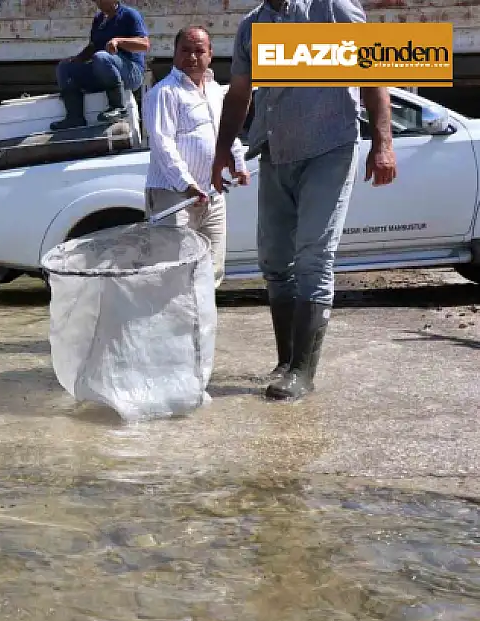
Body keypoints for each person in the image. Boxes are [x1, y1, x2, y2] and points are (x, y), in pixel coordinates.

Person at [211, 0, 397, 401]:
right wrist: (223, 148)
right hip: (276, 150)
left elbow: (373, 74)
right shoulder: (251, 26)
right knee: (275, 260)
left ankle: (301, 372)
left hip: (330, 147)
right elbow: (239, 93)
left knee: (313, 255)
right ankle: (286, 359)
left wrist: (383, 143)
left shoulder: (334, 8)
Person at [142, 25, 250, 288]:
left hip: (212, 195)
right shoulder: (164, 93)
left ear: (210, 54)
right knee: (173, 274)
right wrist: (187, 184)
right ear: (175, 54)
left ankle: (203, 327)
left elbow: (226, 132)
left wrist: (238, 164)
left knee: (211, 272)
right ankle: (173, 329)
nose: (192, 57)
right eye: (185, 51)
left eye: (199, 51)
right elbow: (162, 144)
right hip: (174, 196)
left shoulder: (215, 90)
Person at [49, 0, 150, 131]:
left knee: (101, 57)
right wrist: (76, 59)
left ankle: (118, 108)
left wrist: (118, 42)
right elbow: (93, 47)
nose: (98, 3)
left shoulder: (130, 15)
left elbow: (145, 44)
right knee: (64, 67)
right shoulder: (99, 19)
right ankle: (75, 118)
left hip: (131, 72)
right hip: (105, 70)